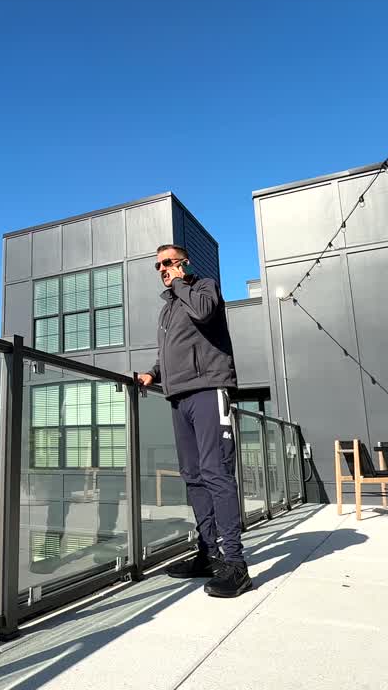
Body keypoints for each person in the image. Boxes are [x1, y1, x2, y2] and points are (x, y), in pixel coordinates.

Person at [137, 243, 250, 598]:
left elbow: (203, 313)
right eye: (158, 266)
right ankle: (208, 553)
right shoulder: (169, 309)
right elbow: (171, 353)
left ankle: (235, 563)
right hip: (179, 396)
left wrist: (181, 283)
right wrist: (154, 374)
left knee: (216, 472)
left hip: (208, 390)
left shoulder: (203, 288)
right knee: (193, 476)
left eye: (168, 263)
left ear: (184, 263)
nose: (162, 270)